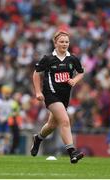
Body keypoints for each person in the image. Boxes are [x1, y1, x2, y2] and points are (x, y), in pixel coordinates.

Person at [31, 30, 85, 163]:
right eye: (61, 41)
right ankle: (72, 152)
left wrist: (75, 80)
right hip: (51, 95)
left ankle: (38, 139)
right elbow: (36, 74)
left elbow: (81, 72)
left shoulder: (72, 59)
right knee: (65, 121)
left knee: (51, 125)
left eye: (66, 41)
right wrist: (38, 92)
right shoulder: (48, 58)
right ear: (55, 43)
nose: (64, 44)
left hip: (64, 97)